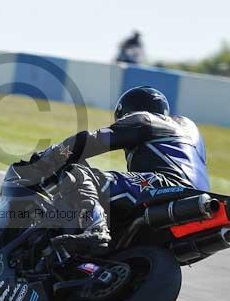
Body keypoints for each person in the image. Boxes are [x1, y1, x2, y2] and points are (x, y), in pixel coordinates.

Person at [24, 86, 209, 256]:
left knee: (77, 174)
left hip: (164, 185)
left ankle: (96, 230)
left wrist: (52, 155)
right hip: (202, 200)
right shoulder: (189, 130)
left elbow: (93, 141)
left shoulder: (144, 119)